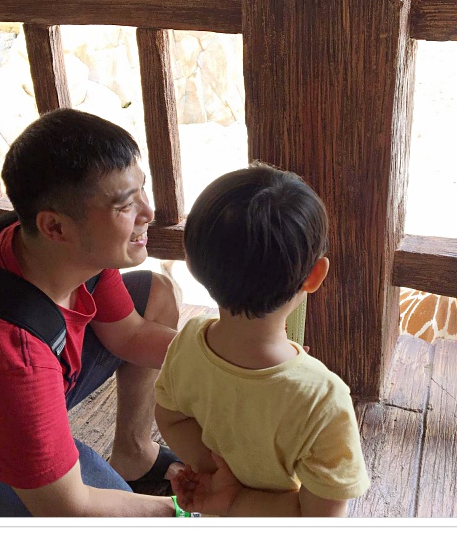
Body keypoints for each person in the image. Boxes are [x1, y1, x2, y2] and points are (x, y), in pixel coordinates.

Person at [0, 108, 187, 517]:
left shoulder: (58, 254)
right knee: (97, 495)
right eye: (126, 205)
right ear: (55, 227)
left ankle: (134, 452)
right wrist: (186, 511)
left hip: (14, 392)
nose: (149, 212)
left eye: (143, 189)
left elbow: (131, 336)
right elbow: (70, 506)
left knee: (151, 293)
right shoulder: (12, 358)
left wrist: (237, 357)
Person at [154, 163, 370, 517]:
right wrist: (235, 500)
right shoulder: (322, 399)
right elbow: (319, 519)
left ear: (190, 263)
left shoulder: (189, 341)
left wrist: (215, 474)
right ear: (315, 276)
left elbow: (171, 419)